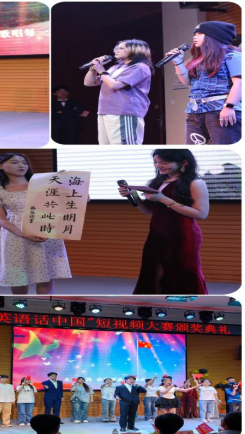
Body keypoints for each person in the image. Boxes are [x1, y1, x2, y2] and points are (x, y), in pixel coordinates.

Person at [118, 149, 209, 294]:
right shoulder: (158, 182)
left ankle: (186, 303)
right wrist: (135, 196)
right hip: (157, 234)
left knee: (182, 272)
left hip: (182, 235)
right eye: (155, 162)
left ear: (184, 162)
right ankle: (153, 303)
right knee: (153, 272)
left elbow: (201, 214)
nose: (158, 166)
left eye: (164, 162)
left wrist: (165, 200)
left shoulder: (195, 183)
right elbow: (149, 210)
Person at [0, 153, 72, 294]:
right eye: (14, 162)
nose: (21, 165)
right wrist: (24, 234)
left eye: (24, 163)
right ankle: (20, 304)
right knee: (18, 276)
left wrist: (68, 182)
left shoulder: (44, 184)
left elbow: (81, 199)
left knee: (46, 274)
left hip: (44, 230)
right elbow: (2, 219)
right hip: (16, 235)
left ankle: (45, 303)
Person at [165, 21, 241, 145]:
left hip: (219, 109)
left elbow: (239, 83)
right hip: (194, 110)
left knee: (221, 149)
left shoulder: (233, 55)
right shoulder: (199, 59)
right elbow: (187, 81)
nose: (195, 37)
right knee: (196, 148)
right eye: (195, 34)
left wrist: (229, 107)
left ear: (214, 36)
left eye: (200, 33)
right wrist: (177, 62)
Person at [84, 39, 153, 144]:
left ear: (134, 50)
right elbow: (89, 83)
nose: (116, 50)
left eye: (121, 48)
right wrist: (92, 69)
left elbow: (114, 85)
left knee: (124, 146)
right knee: (106, 147)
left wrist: (101, 70)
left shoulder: (140, 67)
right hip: (105, 111)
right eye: (116, 48)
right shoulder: (116, 67)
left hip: (124, 112)